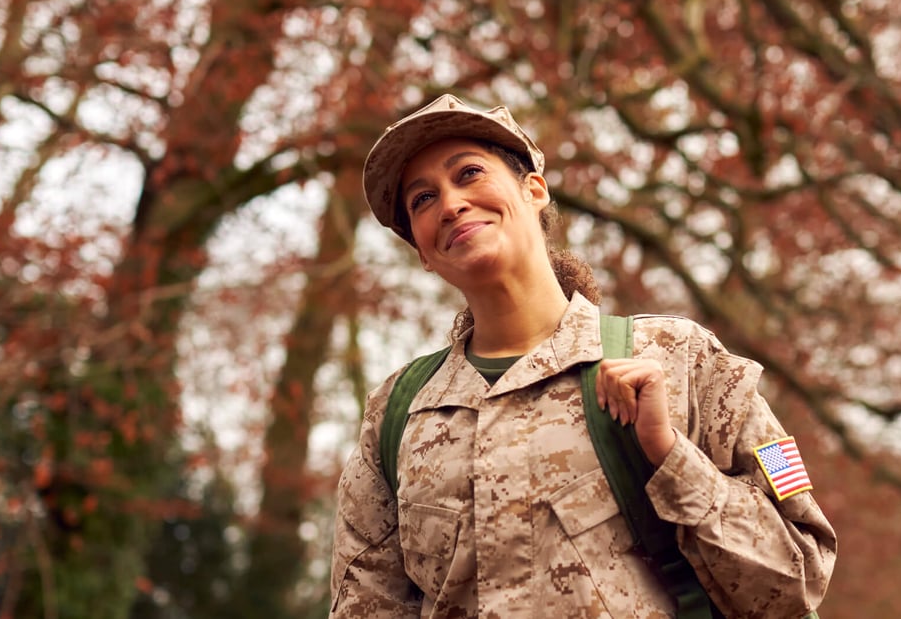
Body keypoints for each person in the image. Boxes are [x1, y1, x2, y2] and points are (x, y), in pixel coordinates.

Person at [329, 94, 837, 617]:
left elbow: (801, 572)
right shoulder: (394, 416)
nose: (451, 204)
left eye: (470, 173)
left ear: (534, 190)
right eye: (422, 200)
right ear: (423, 253)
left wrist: (669, 455)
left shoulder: (689, 359)